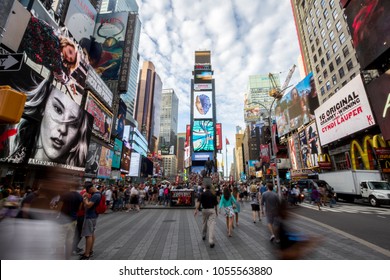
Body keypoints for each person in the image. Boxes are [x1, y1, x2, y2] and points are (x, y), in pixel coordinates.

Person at [6, 79, 91, 167]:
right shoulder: (8, 145)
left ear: (79, 133)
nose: (62, 129)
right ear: (43, 107)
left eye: (73, 124)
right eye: (58, 110)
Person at [20, 16, 80, 84]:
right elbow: (58, 70)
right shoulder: (55, 43)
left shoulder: (52, 57)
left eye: (71, 59)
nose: (69, 56)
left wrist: (68, 77)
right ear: (68, 44)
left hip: (19, 40)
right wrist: (69, 81)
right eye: (70, 51)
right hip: (19, 25)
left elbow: (57, 71)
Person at [80, 182, 101, 260]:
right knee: (91, 233)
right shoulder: (98, 194)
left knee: (88, 235)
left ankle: (87, 254)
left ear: (91, 188)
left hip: (90, 216)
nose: (88, 193)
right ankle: (90, 250)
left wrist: (85, 199)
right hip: (94, 216)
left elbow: (88, 205)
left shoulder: (95, 195)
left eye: (88, 191)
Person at [194, 183, 218, 248]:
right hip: (211, 210)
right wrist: (216, 211)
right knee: (211, 225)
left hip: (204, 210)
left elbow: (198, 202)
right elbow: (215, 204)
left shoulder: (202, 194)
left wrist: (196, 210)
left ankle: (204, 235)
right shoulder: (213, 195)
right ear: (210, 188)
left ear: (205, 188)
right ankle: (211, 241)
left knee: (204, 223)